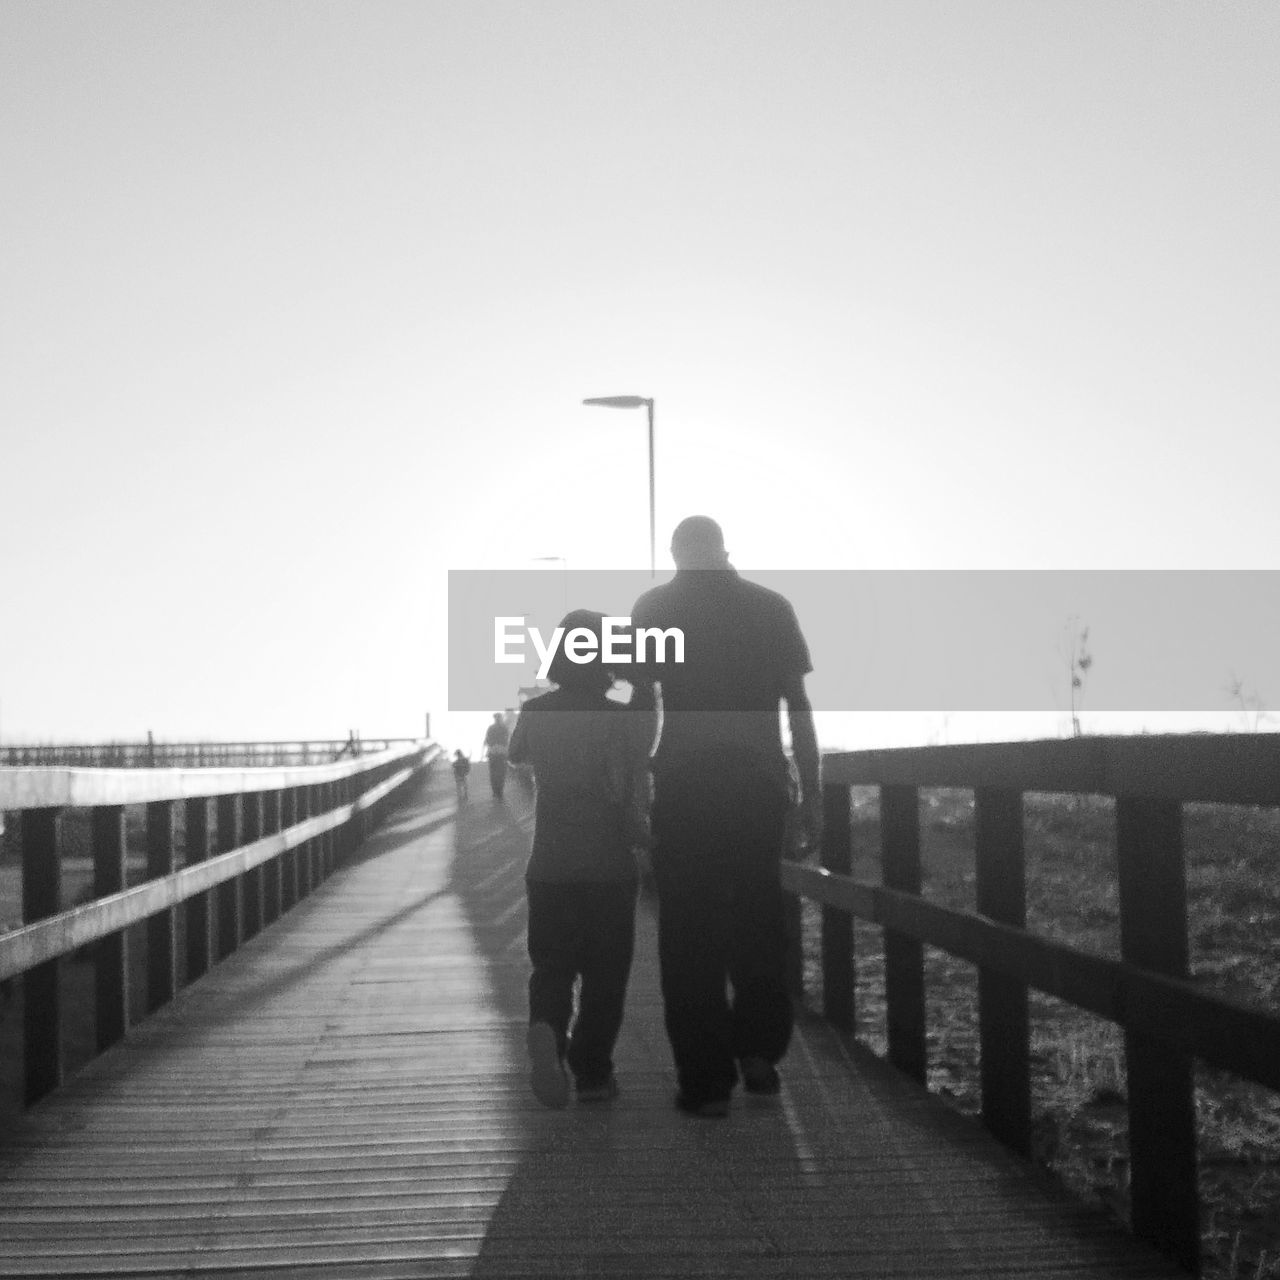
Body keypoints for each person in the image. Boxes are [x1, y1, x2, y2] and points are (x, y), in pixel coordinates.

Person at [630, 515, 822, 1118]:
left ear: (676, 553)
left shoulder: (654, 605)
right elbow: (800, 707)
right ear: (723, 549)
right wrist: (810, 795)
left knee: (689, 933)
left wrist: (636, 787)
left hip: (685, 788)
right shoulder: (771, 607)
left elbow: (641, 702)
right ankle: (761, 1052)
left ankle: (705, 1081)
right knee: (759, 920)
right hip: (757, 786)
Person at [507, 609, 654, 1108]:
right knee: (605, 972)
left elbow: (515, 755)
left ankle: (547, 1029)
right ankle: (592, 1074)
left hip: (549, 865)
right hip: (609, 866)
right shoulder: (619, 717)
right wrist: (636, 677)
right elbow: (643, 758)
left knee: (551, 966)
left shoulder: (538, 711)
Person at [482, 712, 510, 799]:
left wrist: (483, 752)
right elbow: (507, 740)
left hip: (493, 752)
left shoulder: (491, 728)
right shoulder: (504, 728)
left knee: (494, 773)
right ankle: (499, 791)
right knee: (501, 773)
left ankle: (496, 791)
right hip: (501, 752)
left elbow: (487, 740)